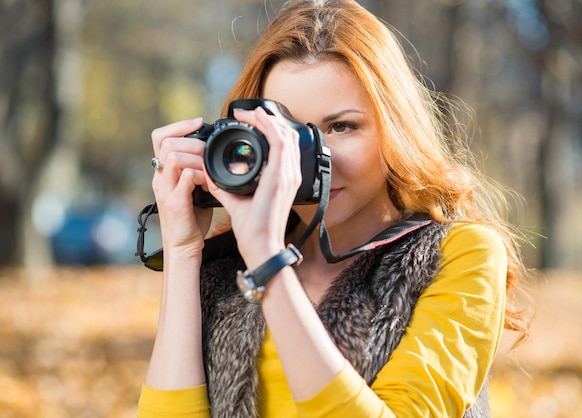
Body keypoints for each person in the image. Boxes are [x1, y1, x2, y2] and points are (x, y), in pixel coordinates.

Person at [137, 0, 529, 417]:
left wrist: (269, 262)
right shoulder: (225, 266)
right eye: (287, 134)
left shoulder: (458, 254)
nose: (314, 159)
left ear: (394, 128)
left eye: (341, 127)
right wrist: (182, 253)